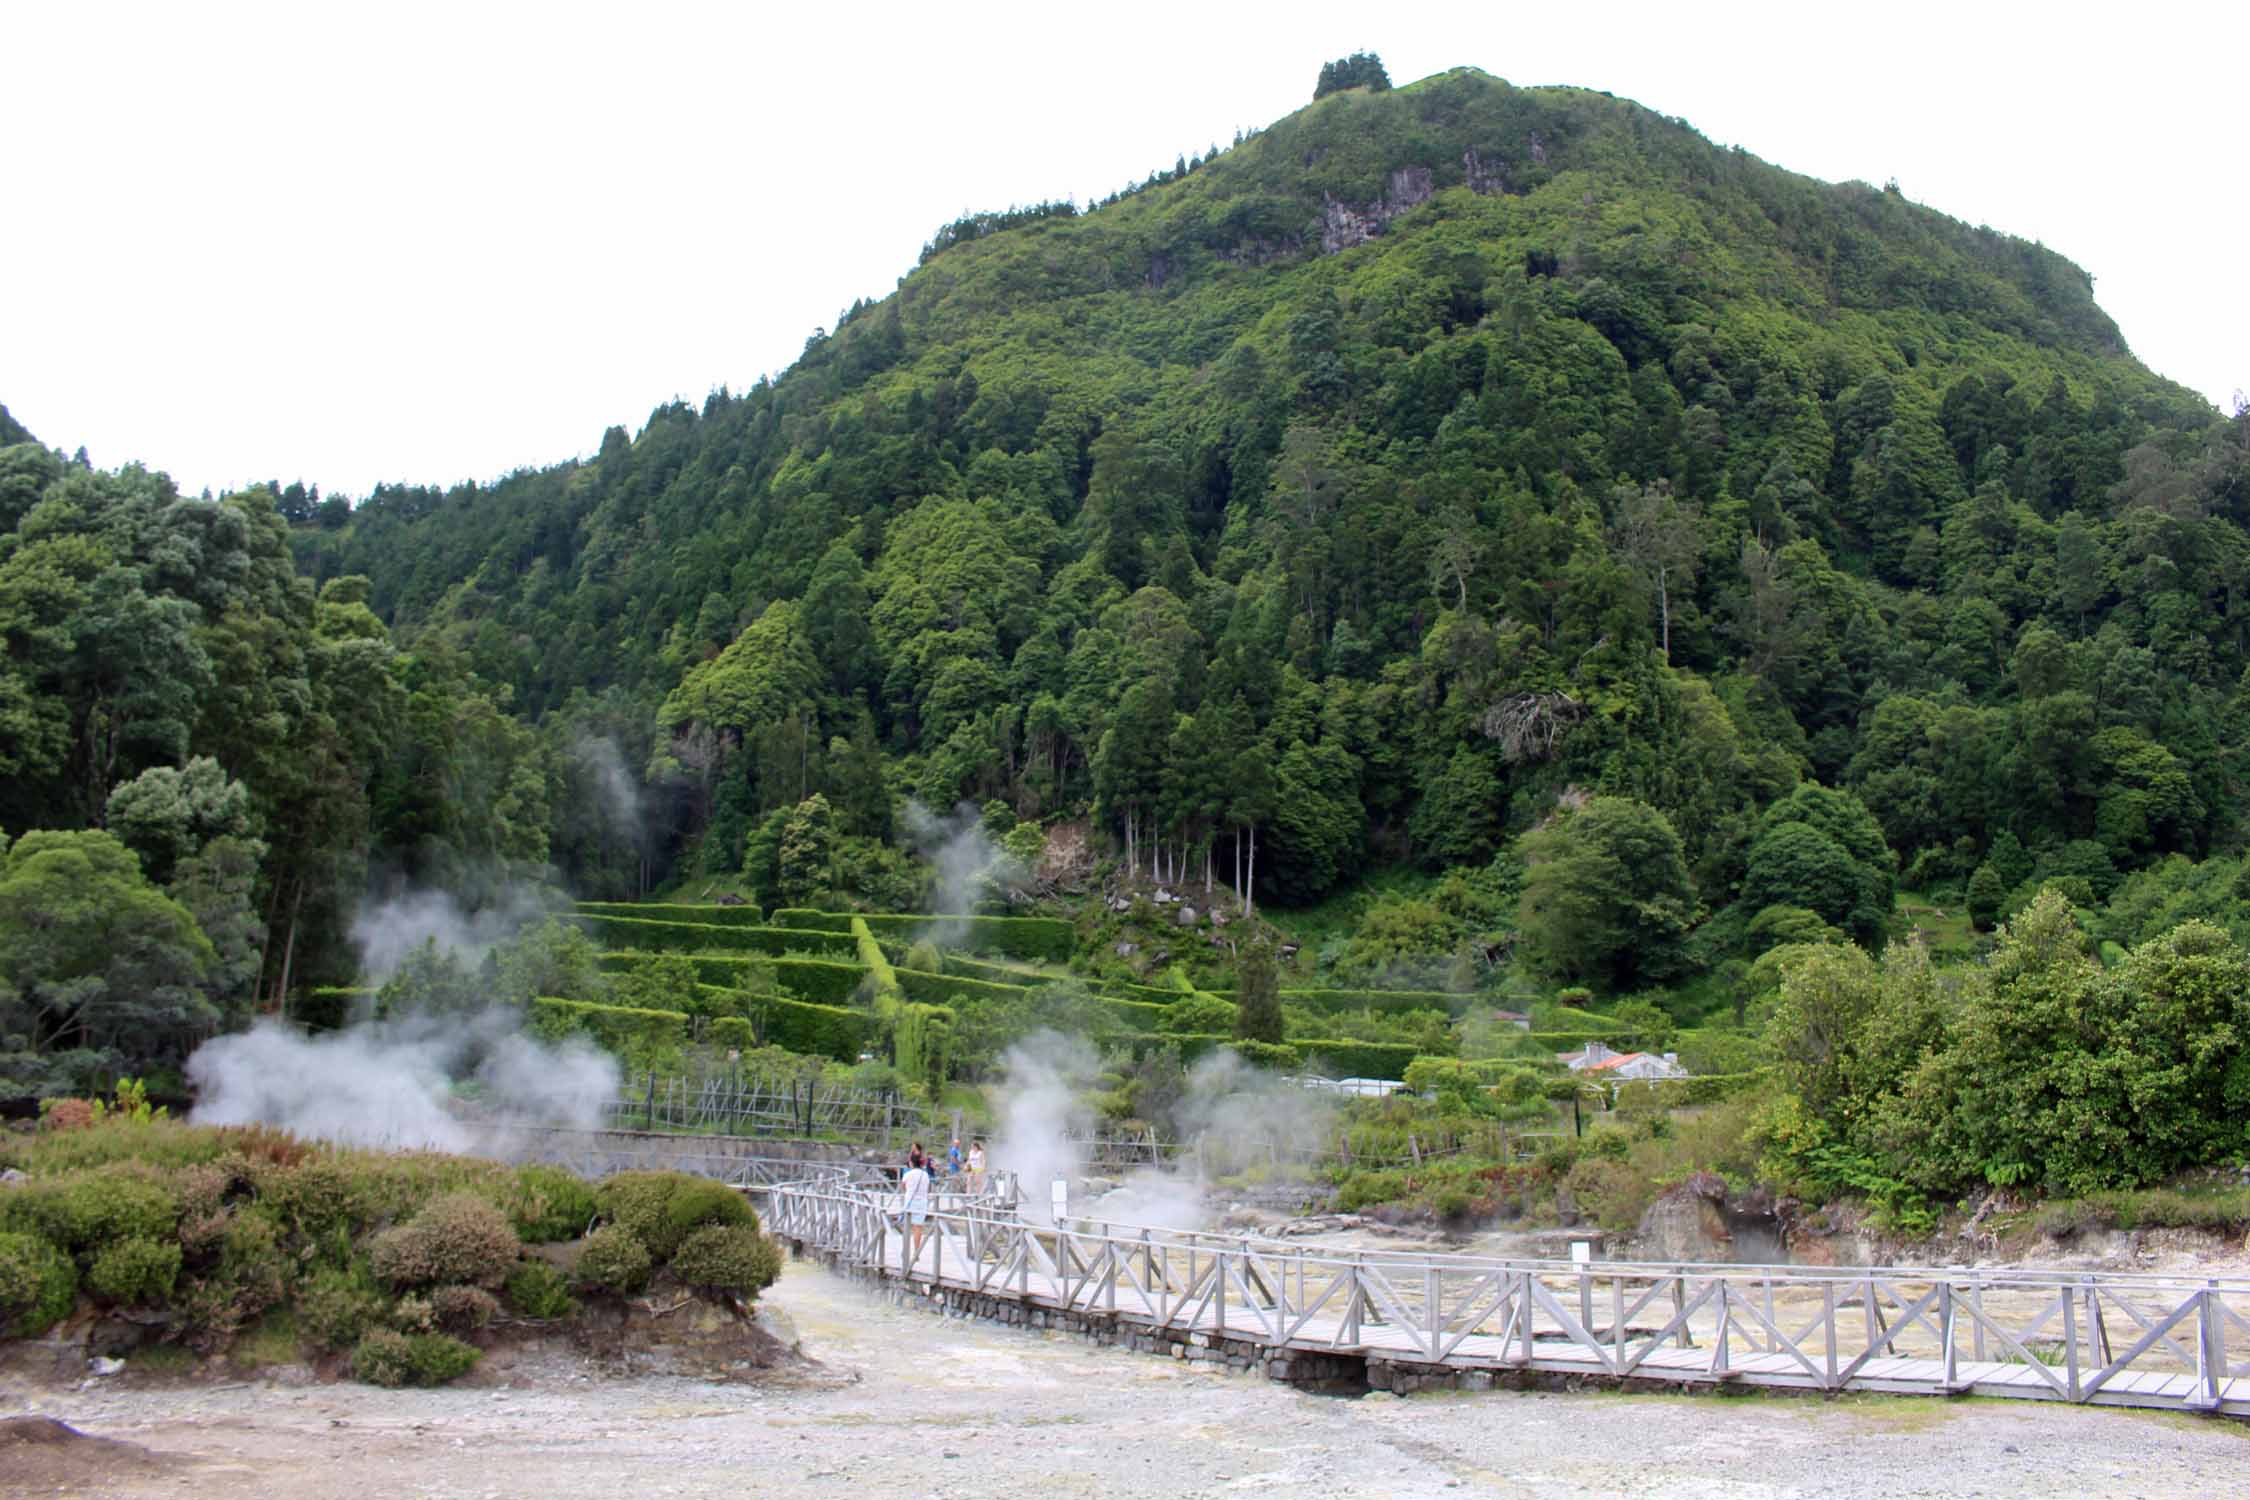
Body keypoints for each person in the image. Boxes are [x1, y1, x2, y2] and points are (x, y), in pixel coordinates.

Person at [900, 1152, 933, 1262]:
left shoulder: (908, 1174)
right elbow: (929, 1189)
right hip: (922, 1202)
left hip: (909, 1202)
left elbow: (903, 1187)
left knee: (906, 1226)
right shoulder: (925, 1174)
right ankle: (916, 1252)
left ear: (911, 1162)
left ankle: (905, 1250)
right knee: (918, 1228)